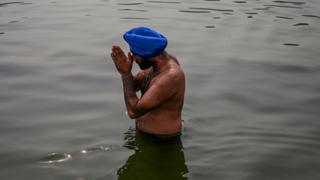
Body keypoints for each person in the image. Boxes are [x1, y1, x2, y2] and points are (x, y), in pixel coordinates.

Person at [110, 26, 185, 137]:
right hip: (145, 136)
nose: (133, 58)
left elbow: (133, 111)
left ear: (146, 54)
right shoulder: (155, 65)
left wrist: (125, 75)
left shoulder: (171, 76)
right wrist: (126, 71)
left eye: (134, 53)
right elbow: (134, 86)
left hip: (162, 142)